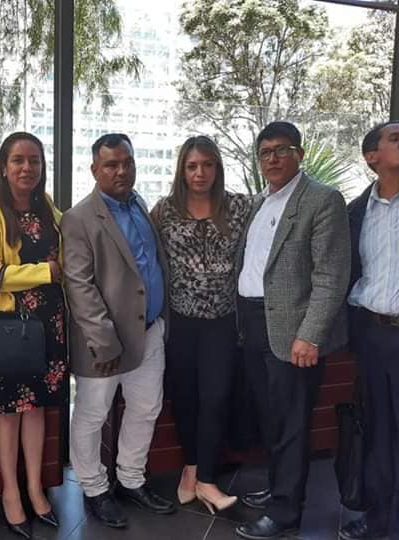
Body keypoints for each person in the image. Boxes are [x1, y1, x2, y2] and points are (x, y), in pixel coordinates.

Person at [234, 121, 351, 539]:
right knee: (270, 418)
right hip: (254, 324)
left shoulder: (322, 199)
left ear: (299, 154)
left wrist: (310, 334)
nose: (272, 159)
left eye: (281, 150)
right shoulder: (259, 202)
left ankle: (286, 513)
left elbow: (332, 275)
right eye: (265, 152)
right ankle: (280, 487)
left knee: (291, 423)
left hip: (294, 332)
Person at [62, 133, 175, 530]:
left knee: (146, 408)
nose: (121, 171)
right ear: (95, 169)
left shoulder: (140, 204)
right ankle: (94, 488)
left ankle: (130, 480)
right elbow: (79, 286)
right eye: (111, 164)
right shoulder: (78, 218)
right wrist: (104, 340)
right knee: (92, 414)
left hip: (151, 331)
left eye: (127, 163)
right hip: (105, 341)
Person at [339, 111, 399, 540]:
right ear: (371, 157)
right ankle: (378, 518)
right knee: (376, 435)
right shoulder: (357, 211)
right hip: (372, 334)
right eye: (395, 137)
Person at [0, 132, 67, 539]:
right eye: (18, 160)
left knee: (38, 408)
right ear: (4, 167)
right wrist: (48, 271)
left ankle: (35, 487)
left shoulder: (50, 210)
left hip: (50, 324)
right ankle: (11, 492)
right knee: (10, 411)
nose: (27, 168)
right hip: (11, 329)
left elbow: (71, 252)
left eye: (34, 160)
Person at [150, 136, 251, 513]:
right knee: (186, 398)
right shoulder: (165, 211)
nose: (199, 173)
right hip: (180, 322)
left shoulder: (239, 207)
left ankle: (207, 479)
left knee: (215, 396)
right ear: (182, 170)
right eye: (192, 166)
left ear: (217, 168)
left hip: (222, 322)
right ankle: (191, 469)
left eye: (207, 164)